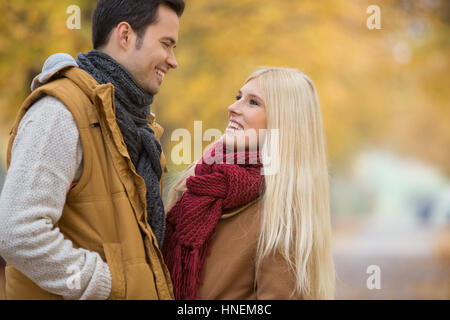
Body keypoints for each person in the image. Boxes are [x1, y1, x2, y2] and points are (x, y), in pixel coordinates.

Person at [0, 0, 184, 300]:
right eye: (166, 44)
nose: (172, 60)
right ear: (124, 36)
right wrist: (105, 285)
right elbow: (18, 232)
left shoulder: (135, 129)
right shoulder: (61, 112)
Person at [163, 67, 335, 300]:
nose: (232, 107)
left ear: (283, 122)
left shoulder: (282, 217)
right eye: (238, 97)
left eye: (253, 102)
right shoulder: (196, 181)